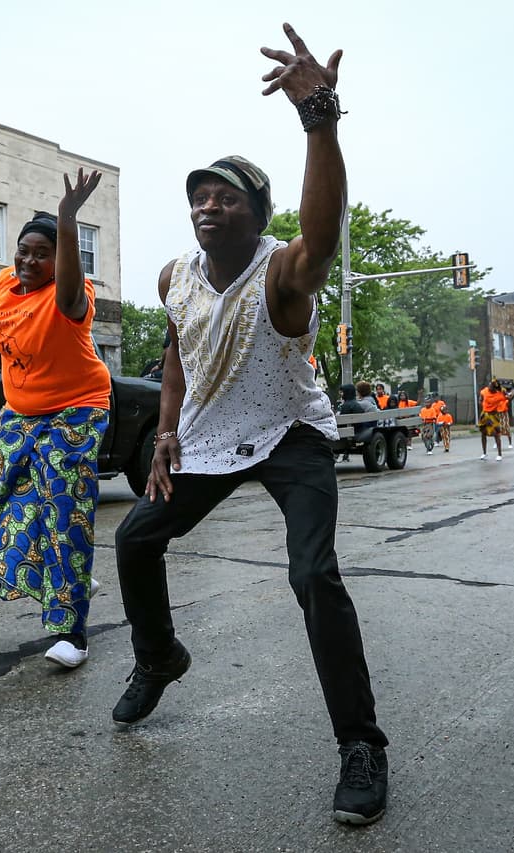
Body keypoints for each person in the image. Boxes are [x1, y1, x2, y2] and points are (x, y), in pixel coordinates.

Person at [112, 25, 390, 826]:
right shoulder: (175, 275)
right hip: (204, 438)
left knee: (313, 577)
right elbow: (176, 353)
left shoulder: (284, 269)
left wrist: (321, 120)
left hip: (288, 432)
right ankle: (158, 655)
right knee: (135, 539)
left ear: (258, 213)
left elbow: (326, 232)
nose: (207, 203)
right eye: (199, 194)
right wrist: (166, 431)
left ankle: (361, 747)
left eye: (225, 194)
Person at [0, 169, 110, 670]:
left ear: (60, 259)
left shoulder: (74, 296)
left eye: (42, 253)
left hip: (76, 409)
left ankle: (72, 630)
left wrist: (68, 219)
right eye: (23, 250)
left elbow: (70, 293)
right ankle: (71, 570)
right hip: (19, 413)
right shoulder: (4, 285)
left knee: (63, 508)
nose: (29, 260)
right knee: (10, 500)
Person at [478, 379, 514, 461]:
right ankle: (484, 453)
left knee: (496, 434)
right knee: (483, 433)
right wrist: (481, 403)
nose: (489, 386)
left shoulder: (499, 395)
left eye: (491, 386)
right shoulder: (484, 391)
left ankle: (499, 454)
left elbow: (510, 398)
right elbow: (481, 398)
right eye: (489, 384)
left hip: (494, 415)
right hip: (484, 414)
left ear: (495, 388)